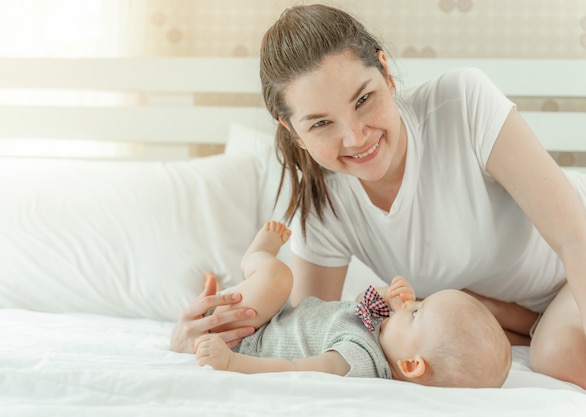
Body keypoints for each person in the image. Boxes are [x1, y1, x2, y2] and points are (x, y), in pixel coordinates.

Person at [172, 4, 586, 389]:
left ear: (386, 72)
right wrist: (204, 332)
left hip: (573, 267)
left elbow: (574, 237)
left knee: (559, 354)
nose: (355, 138)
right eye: (320, 124)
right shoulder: (323, 205)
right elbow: (308, 330)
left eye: (364, 99)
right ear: (292, 131)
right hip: (511, 316)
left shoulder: (462, 103)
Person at [194, 223, 512, 388]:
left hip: (248, 336)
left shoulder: (357, 360)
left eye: (416, 313)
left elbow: (292, 370)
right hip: (273, 316)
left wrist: (231, 363)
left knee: (277, 277)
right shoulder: (381, 332)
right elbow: (357, 305)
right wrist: (388, 296)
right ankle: (226, 290)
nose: (410, 304)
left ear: (412, 365)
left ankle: (253, 259)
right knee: (276, 284)